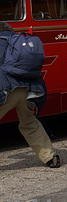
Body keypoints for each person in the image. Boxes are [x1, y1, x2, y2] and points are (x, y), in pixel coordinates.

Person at [0, 22, 59, 168]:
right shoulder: (21, 42)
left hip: (7, 90)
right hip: (31, 91)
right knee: (29, 123)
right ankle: (51, 157)